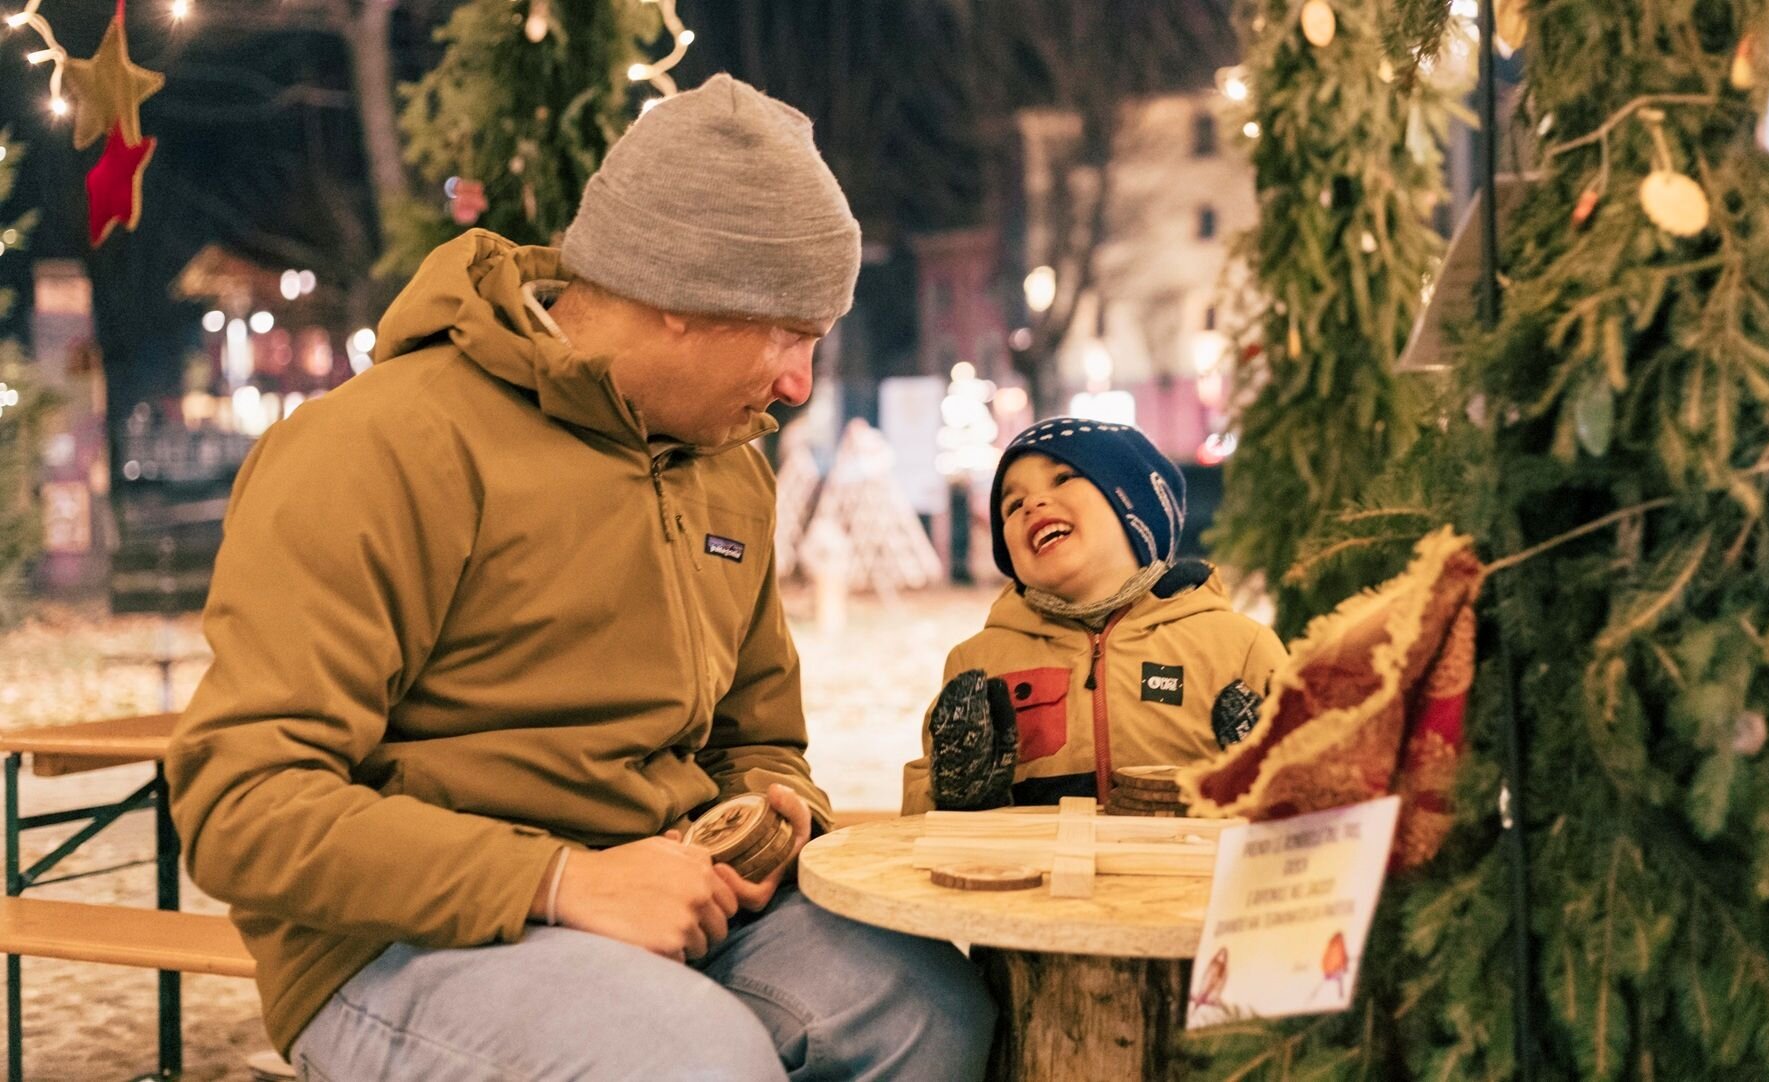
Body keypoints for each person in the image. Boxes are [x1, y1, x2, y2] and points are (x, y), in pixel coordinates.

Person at [166, 74, 993, 1081]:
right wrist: (560, 879)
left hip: (678, 899)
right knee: (697, 1063)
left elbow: (759, 736)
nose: (798, 383)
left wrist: (772, 807)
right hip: (391, 942)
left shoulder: (726, 466)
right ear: (679, 301)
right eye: (789, 333)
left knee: (930, 1010)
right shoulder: (380, 446)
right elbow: (240, 806)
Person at [902, 418, 1288, 813]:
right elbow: (915, 823)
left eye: (1063, 478)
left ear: (1134, 504)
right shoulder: (980, 663)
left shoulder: (1237, 649)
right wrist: (951, 796)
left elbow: (1312, 806)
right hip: (1033, 872)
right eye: (1013, 505)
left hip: (1186, 873)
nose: (1032, 504)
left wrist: (1266, 777)